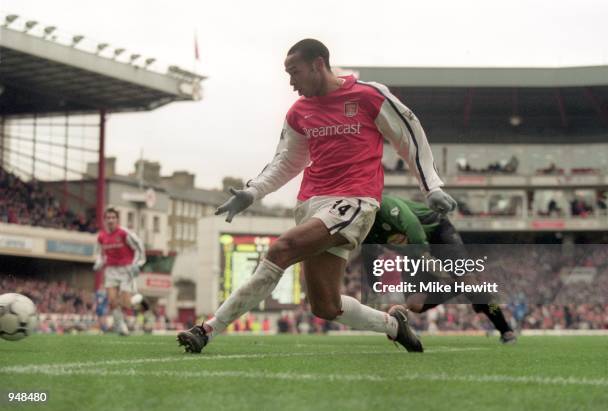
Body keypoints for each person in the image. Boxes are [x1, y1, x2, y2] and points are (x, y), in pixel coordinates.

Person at [177, 38, 456, 353]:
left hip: (354, 202)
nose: (291, 82)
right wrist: (252, 192)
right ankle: (394, 325)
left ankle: (207, 329)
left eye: (294, 72)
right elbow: (287, 161)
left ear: (318, 64)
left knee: (282, 249)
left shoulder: (368, 96)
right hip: (312, 204)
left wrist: (431, 185)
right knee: (325, 306)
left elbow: (410, 136)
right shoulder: (299, 112)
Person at [362, 194, 516, 343]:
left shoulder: (387, 206)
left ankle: (505, 329)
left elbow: (412, 225)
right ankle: (462, 287)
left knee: (472, 286)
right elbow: (369, 256)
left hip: (439, 233)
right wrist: (374, 287)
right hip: (414, 251)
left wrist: (431, 263)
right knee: (416, 304)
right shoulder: (364, 228)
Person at [94, 207, 147, 336]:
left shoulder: (124, 233)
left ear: (117, 219)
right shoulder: (101, 236)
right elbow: (99, 253)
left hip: (126, 270)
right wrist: (99, 262)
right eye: (108, 218)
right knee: (112, 301)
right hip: (111, 270)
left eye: (113, 217)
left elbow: (139, 247)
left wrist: (138, 264)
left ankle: (138, 299)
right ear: (105, 220)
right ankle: (121, 327)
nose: (110, 220)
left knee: (125, 303)